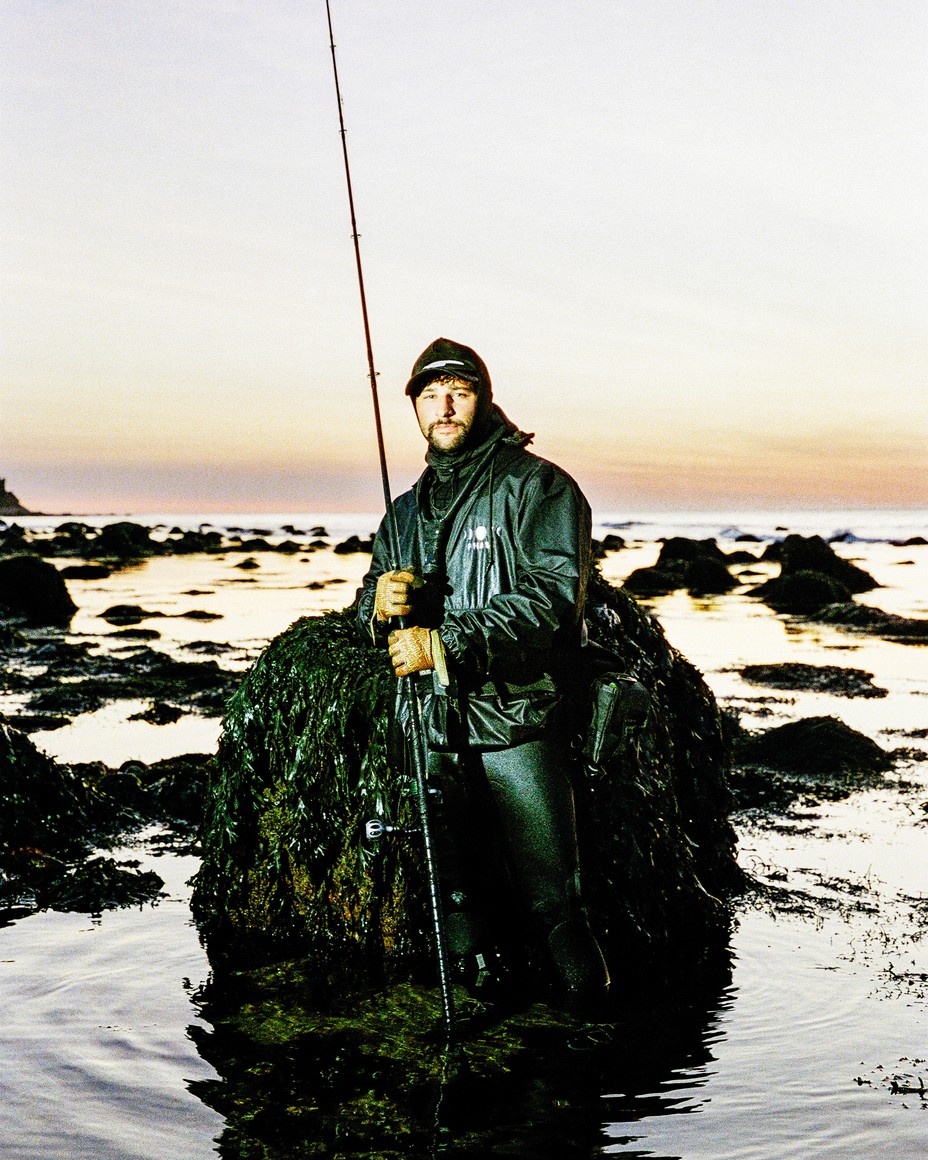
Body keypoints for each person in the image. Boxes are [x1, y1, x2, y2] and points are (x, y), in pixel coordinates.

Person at [356, 336, 609, 1018]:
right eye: (430, 395)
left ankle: (595, 1058)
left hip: (517, 720)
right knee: (459, 905)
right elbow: (370, 612)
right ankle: (481, 1042)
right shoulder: (404, 511)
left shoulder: (538, 486)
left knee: (554, 903)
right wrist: (376, 604)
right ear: (413, 408)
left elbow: (551, 598)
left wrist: (445, 643)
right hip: (431, 728)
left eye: (459, 393)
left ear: (482, 399)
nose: (445, 407)